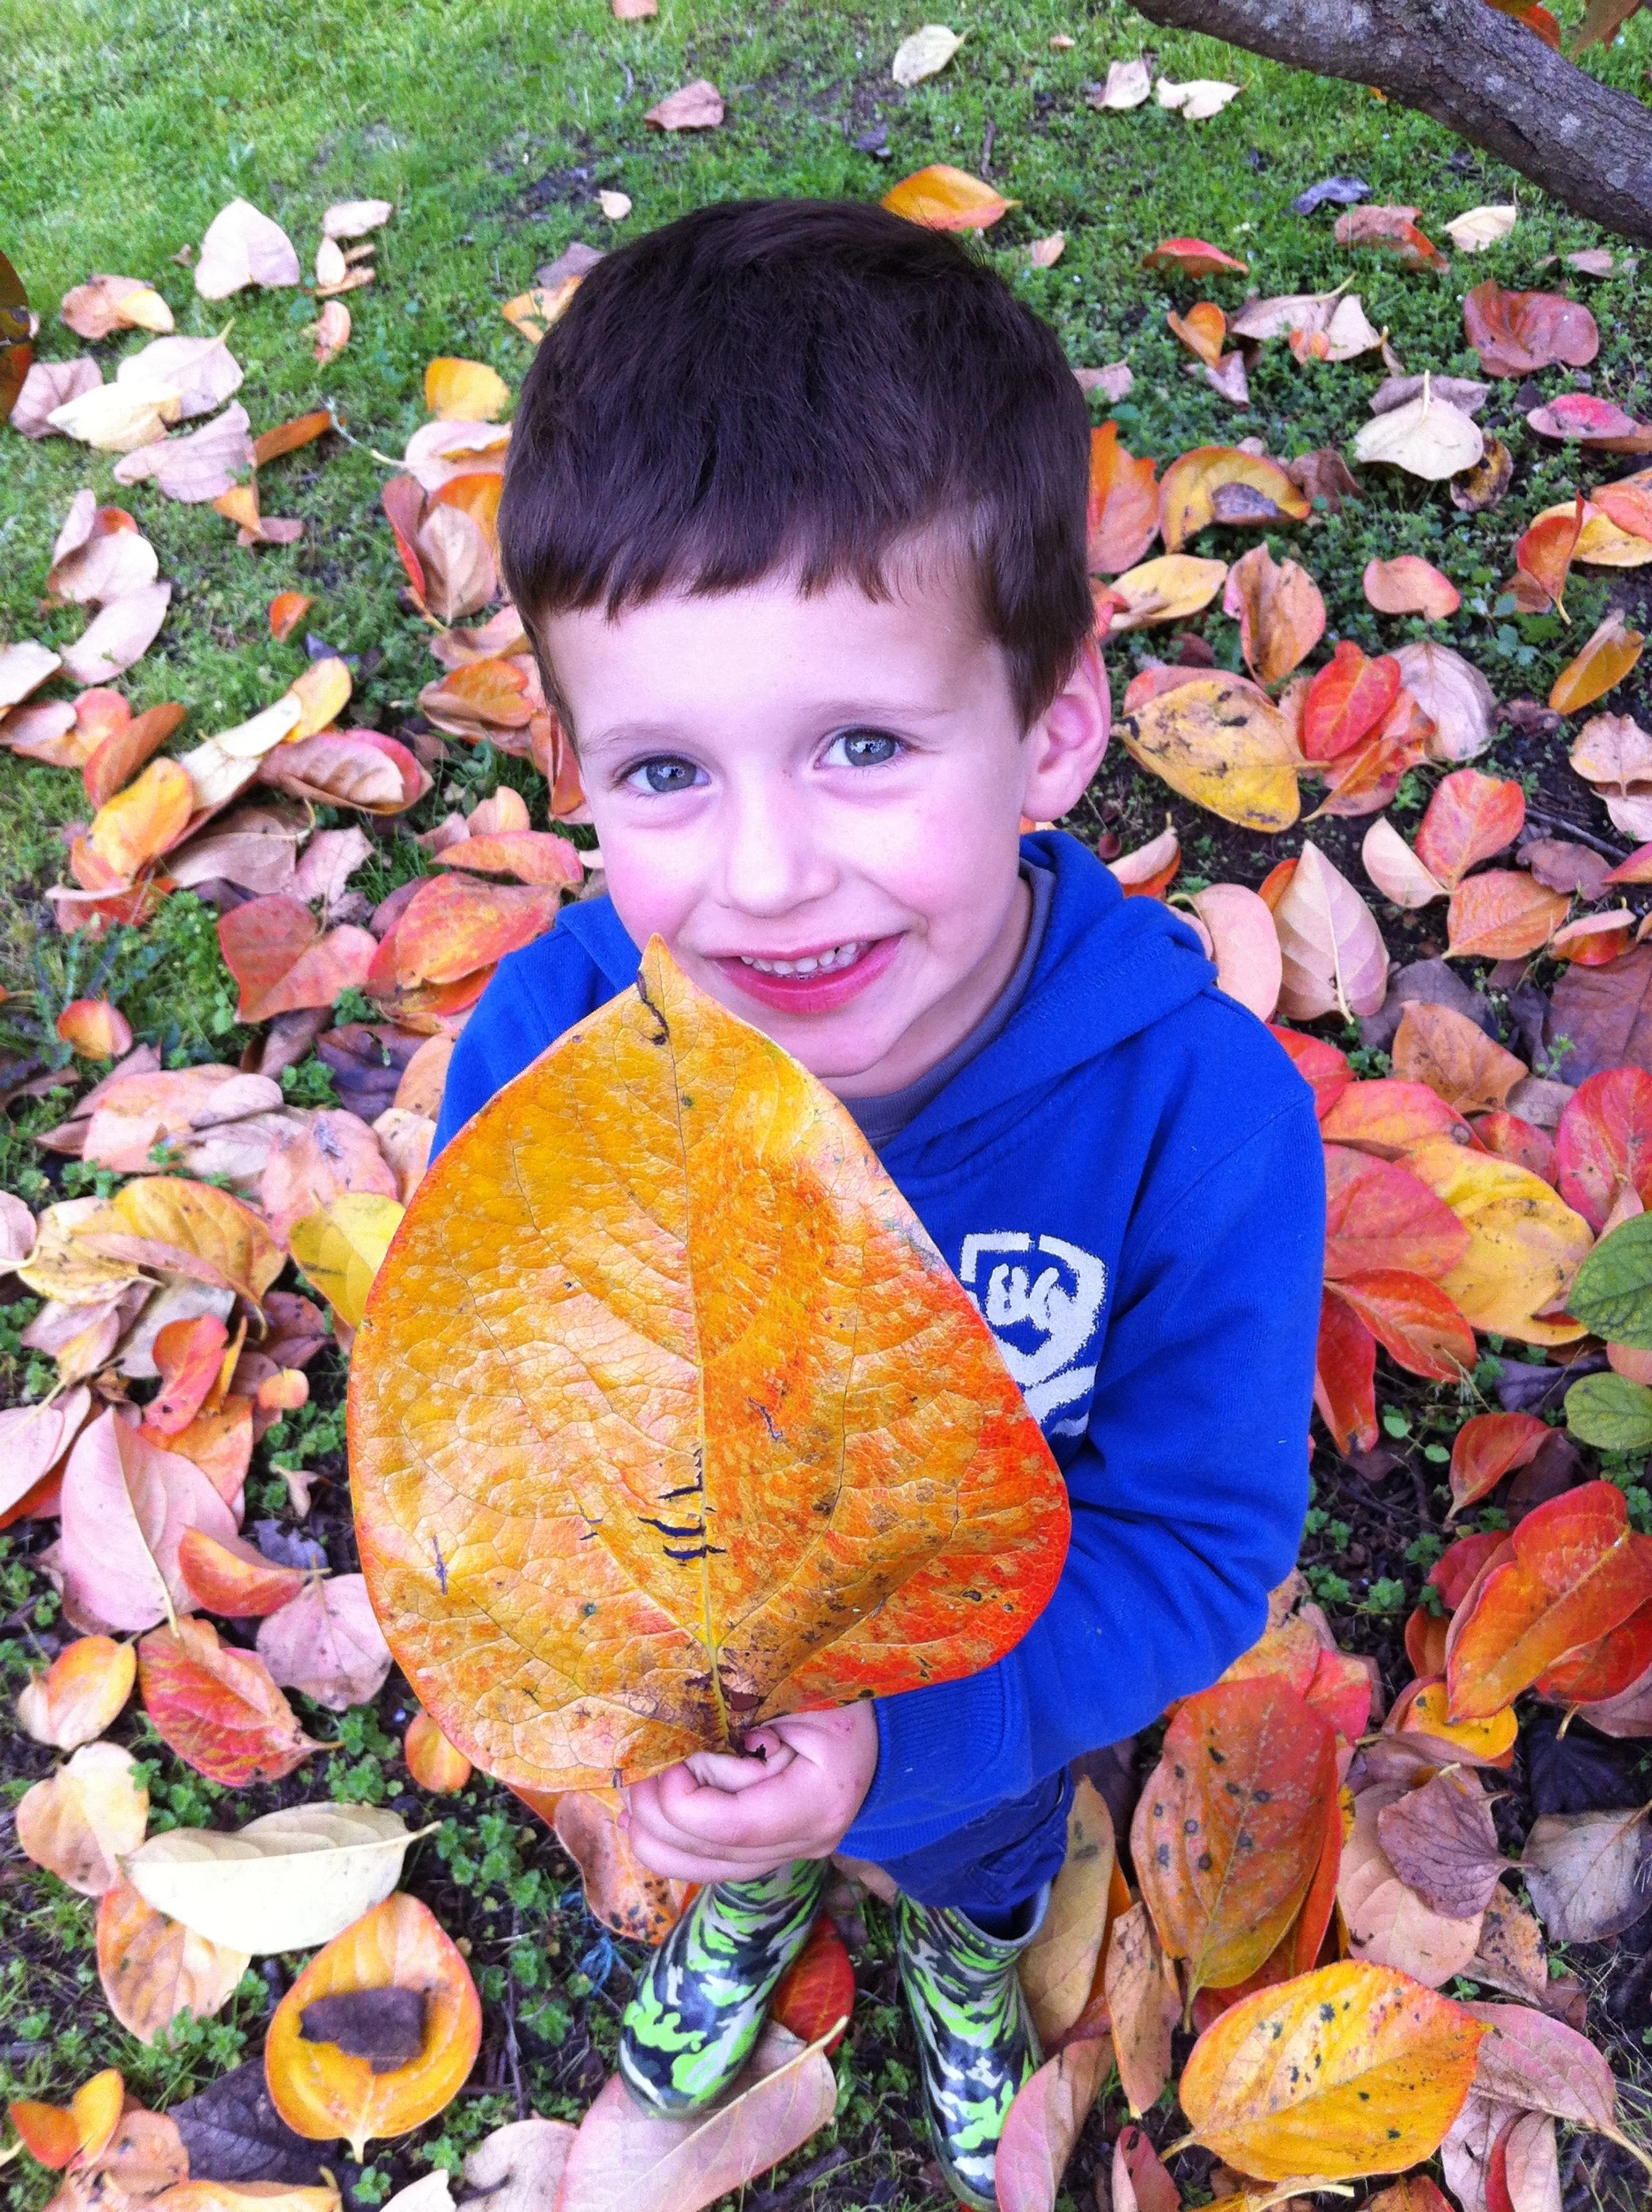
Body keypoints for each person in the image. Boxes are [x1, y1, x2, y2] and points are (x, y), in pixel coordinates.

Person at [431, 198, 1323, 2209]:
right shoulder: (550, 1058)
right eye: (664, 773)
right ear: (570, 764)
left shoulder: (1198, 1127)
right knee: (743, 1845)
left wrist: (914, 1758)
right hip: (690, 1665)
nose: (761, 879)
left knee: (966, 1853)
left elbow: (1191, 1540)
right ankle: (742, 1912)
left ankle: (964, 1942)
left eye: (858, 743)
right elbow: (494, 1416)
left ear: (1053, 728)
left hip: (972, 1719)